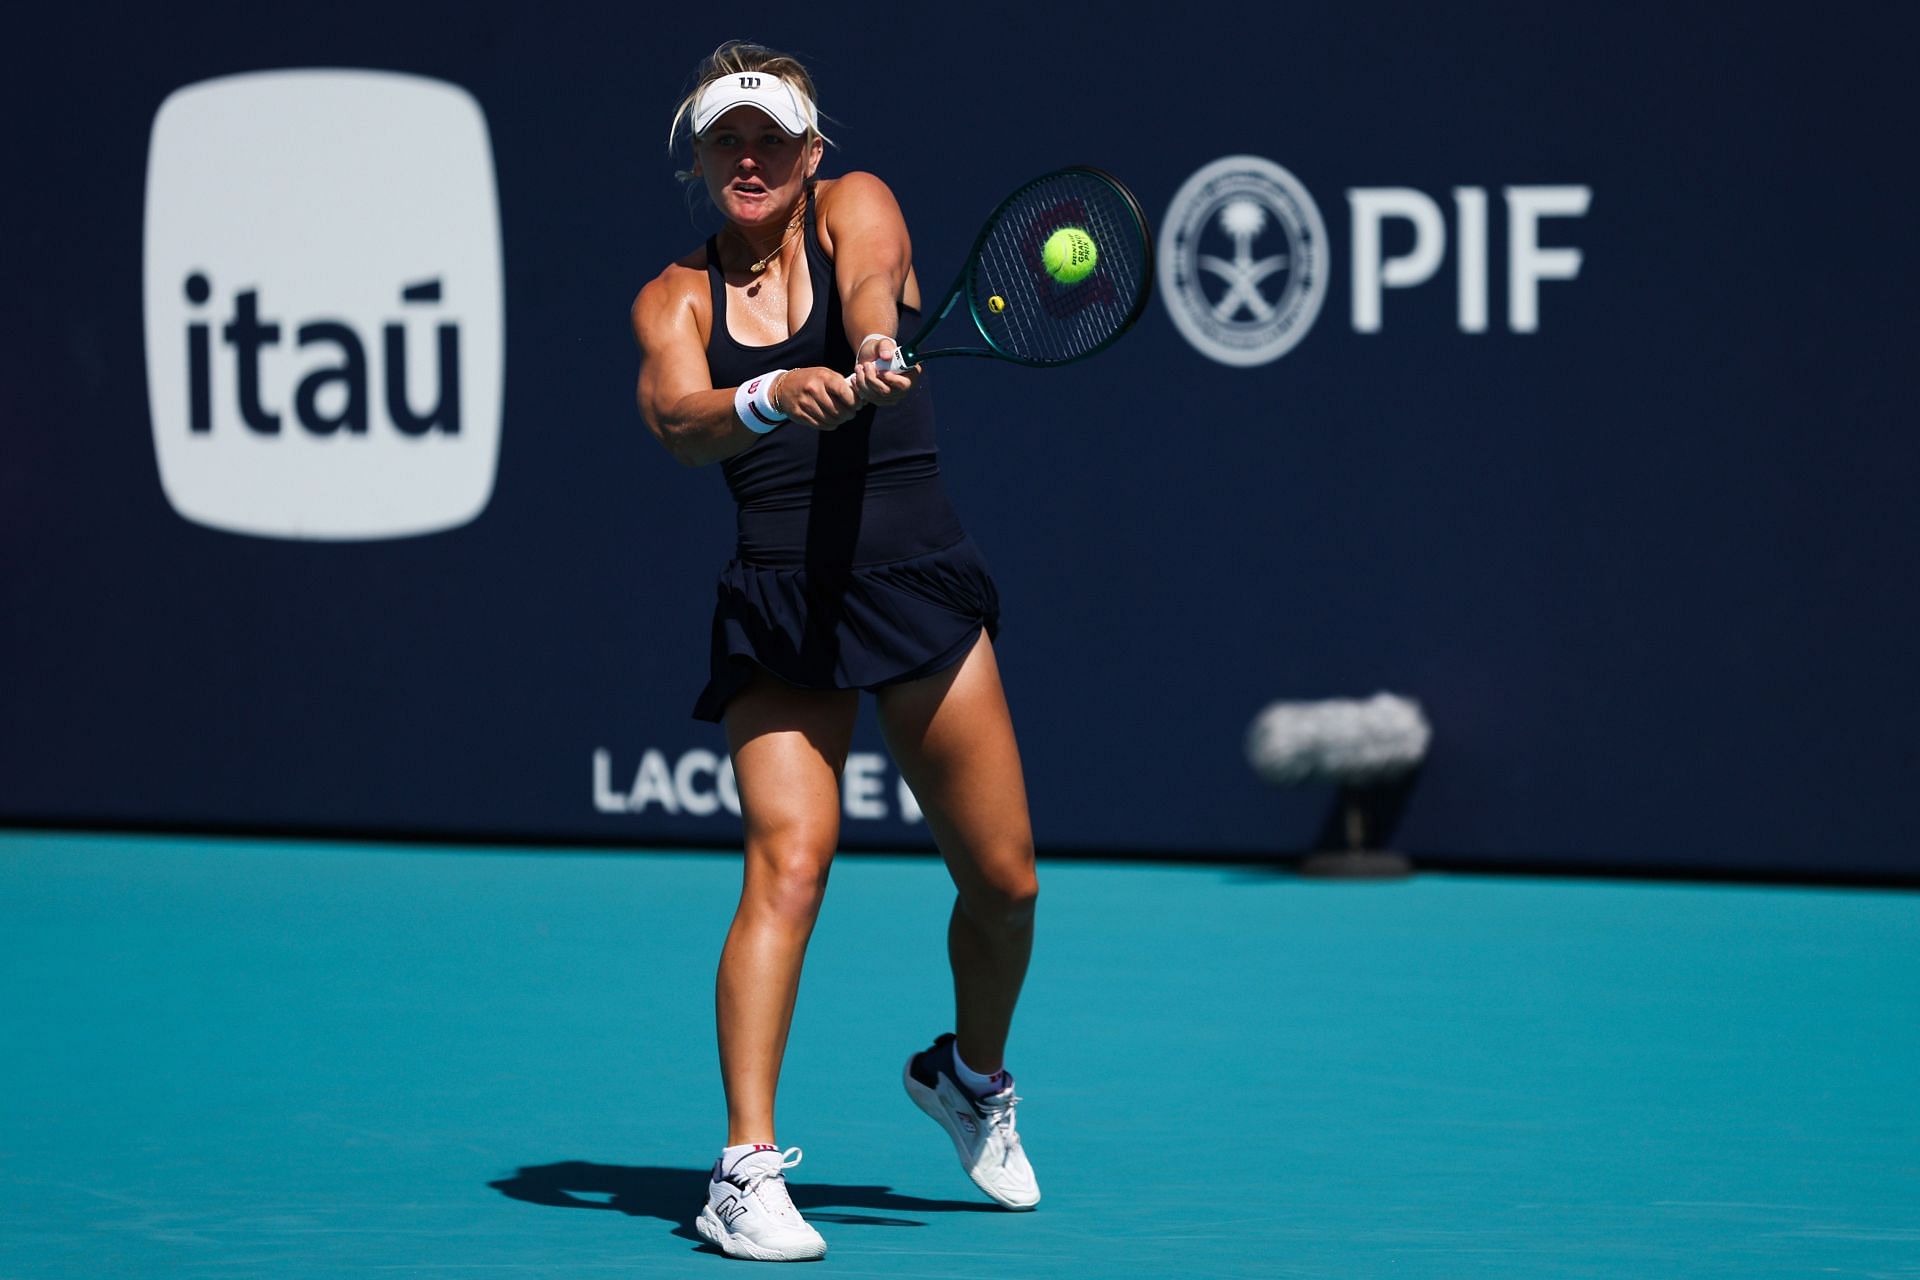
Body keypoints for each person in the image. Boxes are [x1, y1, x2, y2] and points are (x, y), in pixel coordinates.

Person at [629, 42, 1042, 1263]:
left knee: (1006, 882)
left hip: (912, 578)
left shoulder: (857, 207)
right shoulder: (675, 297)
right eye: (725, 141)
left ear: (811, 154)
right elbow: (675, 418)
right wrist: (767, 398)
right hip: (781, 602)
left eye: (771, 140)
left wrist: (864, 348)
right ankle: (743, 1170)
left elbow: (872, 281)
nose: (748, 159)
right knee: (789, 862)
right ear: (702, 162)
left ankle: (968, 1074)